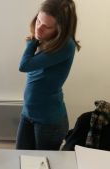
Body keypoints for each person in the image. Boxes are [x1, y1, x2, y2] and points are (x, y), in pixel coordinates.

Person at [16, 0, 81, 150]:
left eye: (47, 26)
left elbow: (24, 65)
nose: (39, 28)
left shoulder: (66, 45)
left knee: (42, 164)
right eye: (38, 20)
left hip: (49, 122)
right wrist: (36, 39)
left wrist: (31, 42)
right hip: (28, 113)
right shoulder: (46, 40)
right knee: (21, 159)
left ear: (60, 29)